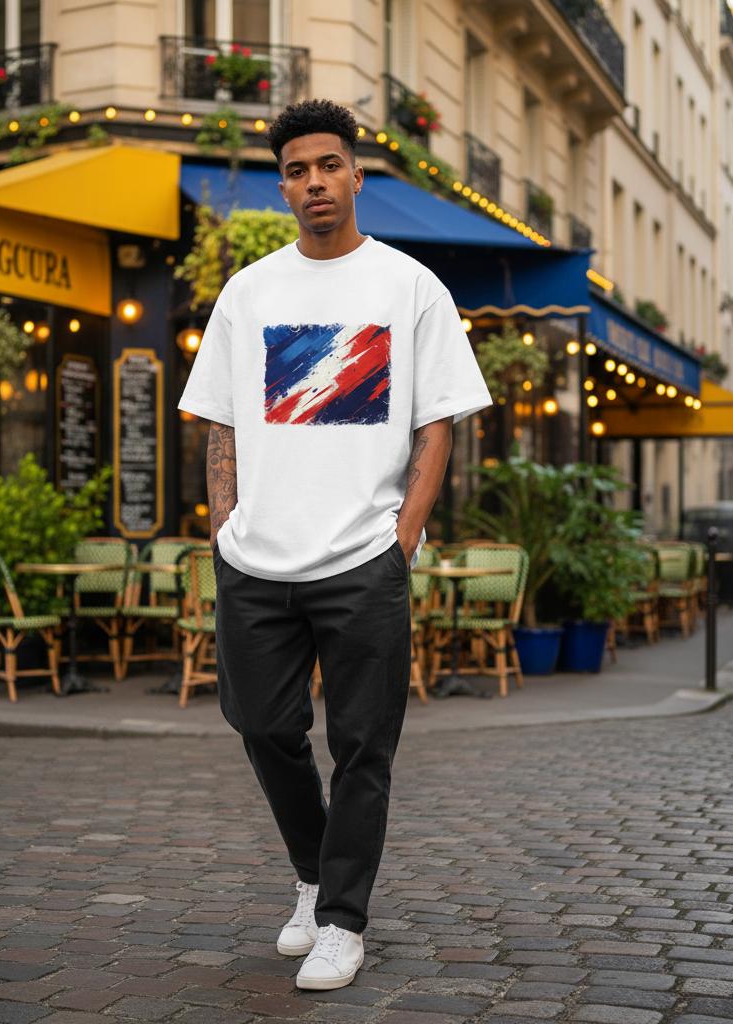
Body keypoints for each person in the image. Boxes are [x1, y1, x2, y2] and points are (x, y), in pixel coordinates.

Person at [176, 98, 492, 991]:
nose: (313, 181)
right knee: (264, 727)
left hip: (363, 561)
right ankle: (316, 878)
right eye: (296, 170)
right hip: (256, 560)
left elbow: (437, 428)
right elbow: (221, 427)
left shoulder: (409, 286)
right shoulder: (250, 291)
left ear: (356, 175)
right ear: (283, 186)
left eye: (328, 166)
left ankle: (342, 920)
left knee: (363, 747)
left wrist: (402, 541)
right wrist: (223, 530)